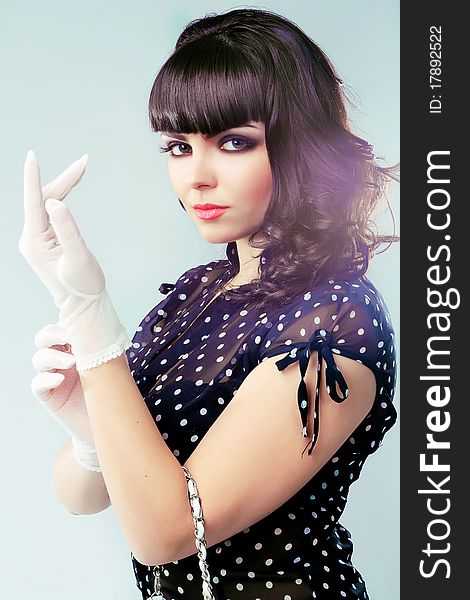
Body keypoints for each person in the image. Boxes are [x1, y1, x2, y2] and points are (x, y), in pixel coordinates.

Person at [20, 7, 399, 600]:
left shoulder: (333, 319)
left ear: (301, 147)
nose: (196, 176)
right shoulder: (200, 292)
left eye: (232, 142)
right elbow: (83, 497)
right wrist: (90, 431)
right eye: (177, 146)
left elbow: (166, 533)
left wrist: (94, 325)